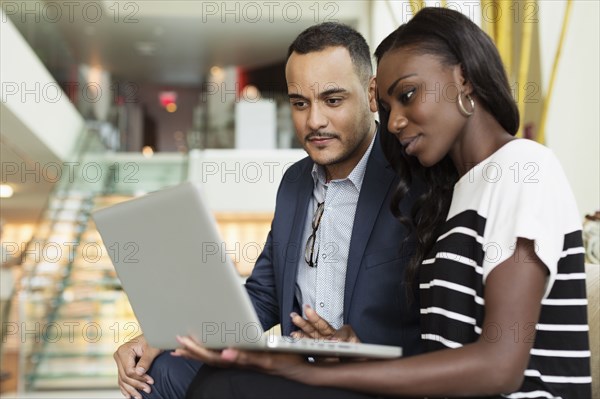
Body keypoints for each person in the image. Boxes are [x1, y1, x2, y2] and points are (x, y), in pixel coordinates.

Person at [178, 7, 592, 399]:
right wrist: (355, 349)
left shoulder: (522, 167)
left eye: (408, 95)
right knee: (217, 379)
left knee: (228, 387)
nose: (393, 122)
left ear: (464, 79)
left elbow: (500, 365)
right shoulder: (460, 191)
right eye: (390, 106)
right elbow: (444, 350)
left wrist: (309, 371)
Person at [113, 22, 425, 399]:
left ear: (372, 94)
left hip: (373, 381)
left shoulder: (412, 174)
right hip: (295, 369)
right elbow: (263, 296)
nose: (314, 121)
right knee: (158, 373)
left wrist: (358, 345)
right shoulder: (295, 182)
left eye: (333, 99)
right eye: (300, 103)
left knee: (220, 385)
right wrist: (166, 334)